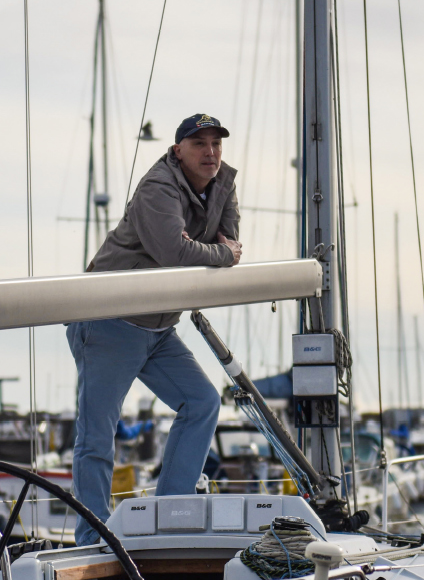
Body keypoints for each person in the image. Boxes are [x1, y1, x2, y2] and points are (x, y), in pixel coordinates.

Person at [67, 113, 242, 546]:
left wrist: (217, 251)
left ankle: (169, 519)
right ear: (178, 150)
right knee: (97, 435)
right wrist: (218, 254)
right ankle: (92, 538)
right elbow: (176, 252)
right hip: (109, 321)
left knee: (202, 403)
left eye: (216, 143)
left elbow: (231, 238)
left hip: (159, 326)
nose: (210, 152)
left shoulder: (223, 183)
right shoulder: (158, 187)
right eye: (199, 143)